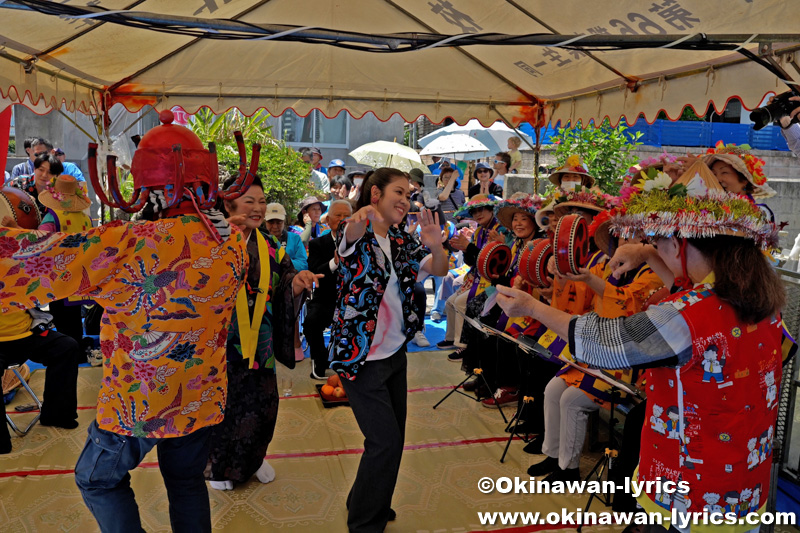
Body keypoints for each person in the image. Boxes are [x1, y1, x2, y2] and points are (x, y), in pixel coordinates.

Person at [0, 109, 274, 531]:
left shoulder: (131, 242)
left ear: (146, 187)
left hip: (140, 397)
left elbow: (38, 263)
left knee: (96, 480)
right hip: (200, 392)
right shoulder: (232, 242)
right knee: (185, 482)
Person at [496, 166, 785, 532]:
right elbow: (684, 287)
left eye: (658, 240)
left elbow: (604, 342)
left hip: (691, 488)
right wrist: (649, 252)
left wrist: (532, 308)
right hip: (744, 481)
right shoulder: (760, 300)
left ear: (679, 244)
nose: (656, 248)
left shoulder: (689, 314)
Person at [330, 167, 448, 532]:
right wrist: (358, 216)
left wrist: (434, 243)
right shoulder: (355, 233)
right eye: (399, 191)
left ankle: (369, 498)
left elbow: (438, 270)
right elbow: (347, 237)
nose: (406, 200)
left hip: (396, 353)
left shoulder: (401, 238)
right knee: (384, 442)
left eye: (409, 194)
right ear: (376, 193)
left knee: (392, 442)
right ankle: (365, 522)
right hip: (359, 356)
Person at [528, 211, 663, 482]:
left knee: (572, 400)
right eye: (624, 233)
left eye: (636, 234)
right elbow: (581, 299)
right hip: (598, 350)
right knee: (553, 389)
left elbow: (627, 304)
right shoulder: (606, 267)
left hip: (627, 360)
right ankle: (554, 455)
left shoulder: (654, 275)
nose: (628, 239)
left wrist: (587, 278)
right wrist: (562, 273)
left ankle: (569, 468)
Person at [207, 176, 319, 491]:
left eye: (261, 201)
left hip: (260, 341)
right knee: (224, 407)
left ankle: (252, 460)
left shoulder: (269, 243)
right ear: (228, 204)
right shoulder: (211, 240)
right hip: (221, 344)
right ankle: (219, 467)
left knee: (261, 405)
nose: (258, 208)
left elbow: (285, 276)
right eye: (249, 201)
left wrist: (298, 282)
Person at [438, 194, 500, 352]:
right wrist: (464, 249)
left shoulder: (499, 230)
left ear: (491, 209)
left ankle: (463, 346)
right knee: (450, 302)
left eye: (481, 210)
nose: (477, 214)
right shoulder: (479, 232)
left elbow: (492, 260)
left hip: (493, 282)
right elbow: (471, 262)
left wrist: (468, 247)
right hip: (477, 276)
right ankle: (451, 338)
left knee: (460, 303)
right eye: (473, 212)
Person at [36, 174, 93, 346]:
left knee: (61, 317)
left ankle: (69, 349)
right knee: (75, 315)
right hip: (80, 275)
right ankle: (77, 344)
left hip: (58, 276)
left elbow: (39, 243)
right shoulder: (86, 219)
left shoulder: (52, 219)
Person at [305, 199, 352, 380]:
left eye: (346, 216)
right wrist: (334, 262)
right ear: (328, 219)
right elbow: (314, 271)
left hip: (353, 298)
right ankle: (320, 359)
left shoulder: (362, 242)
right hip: (326, 297)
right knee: (311, 321)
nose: (342, 220)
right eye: (338, 215)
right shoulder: (318, 243)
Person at [265, 202, 307, 272]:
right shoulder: (260, 238)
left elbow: (303, 265)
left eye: (279, 222)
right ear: (265, 221)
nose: (275, 226)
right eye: (271, 222)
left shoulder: (295, 238)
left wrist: (283, 261)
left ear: (284, 221)